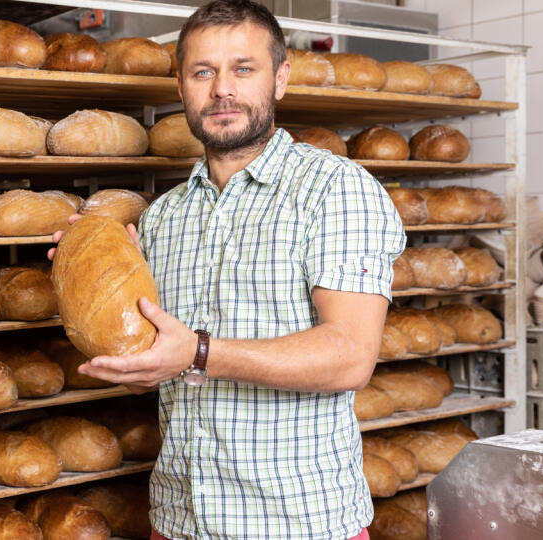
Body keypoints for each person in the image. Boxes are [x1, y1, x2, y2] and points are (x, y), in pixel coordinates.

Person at [50, 1, 405, 538]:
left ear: (280, 78)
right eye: (202, 72)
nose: (222, 90)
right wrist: (89, 284)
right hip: (178, 521)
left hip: (300, 525)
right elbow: (156, 366)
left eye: (243, 69)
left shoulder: (335, 189)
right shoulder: (163, 219)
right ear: (181, 85)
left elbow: (350, 356)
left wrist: (197, 351)